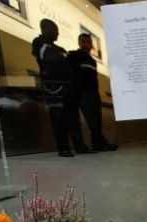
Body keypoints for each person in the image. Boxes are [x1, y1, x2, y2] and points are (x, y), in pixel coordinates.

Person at [31, 19, 89, 157]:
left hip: (67, 88)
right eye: (55, 29)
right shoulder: (40, 44)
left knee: (73, 118)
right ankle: (63, 148)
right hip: (54, 88)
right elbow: (54, 61)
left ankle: (79, 145)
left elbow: (68, 64)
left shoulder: (59, 49)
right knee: (59, 119)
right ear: (45, 29)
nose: (57, 33)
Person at [67, 34, 118, 152]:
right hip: (81, 94)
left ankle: (98, 144)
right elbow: (72, 76)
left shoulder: (92, 61)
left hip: (93, 94)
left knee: (97, 121)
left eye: (88, 42)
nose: (85, 44)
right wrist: (76, 92)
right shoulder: (74, 56)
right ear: (79, 43)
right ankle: (98, 144)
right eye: (83, 42)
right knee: (91, 121)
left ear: (91, 45)